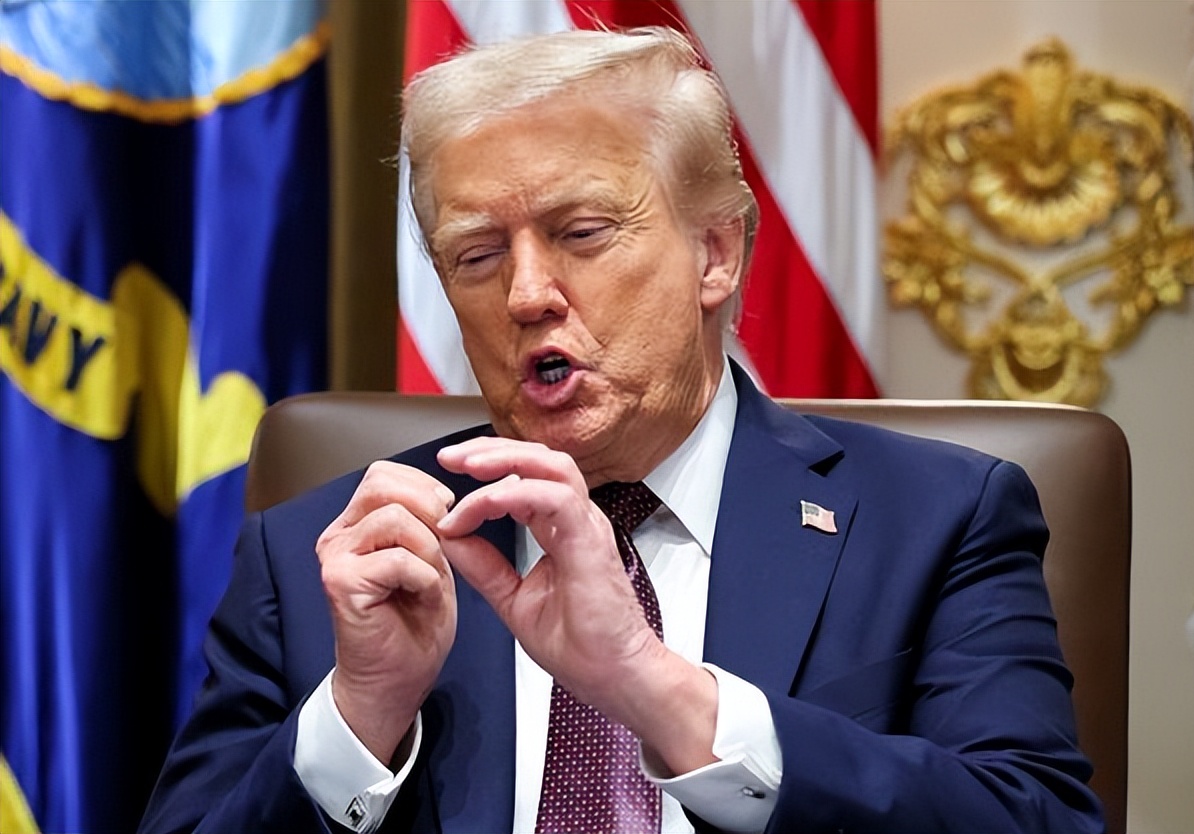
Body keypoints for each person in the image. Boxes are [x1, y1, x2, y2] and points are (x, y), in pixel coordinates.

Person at [138, 25, 1105, 834]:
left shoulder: (935, 520)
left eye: (582, 234)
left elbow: (1036, 819)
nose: (526, 294)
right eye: (477, 255)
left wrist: (655, 688)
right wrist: (357, 719)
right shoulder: (327, 557)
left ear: (715, 253)